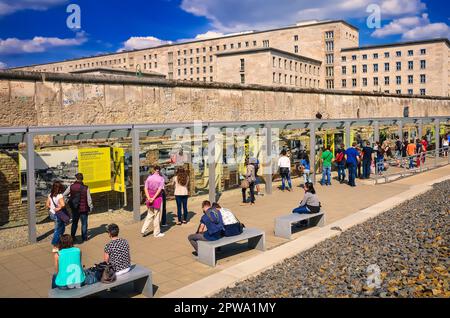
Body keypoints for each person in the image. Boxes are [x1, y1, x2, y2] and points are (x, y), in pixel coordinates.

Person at [63, 173, 93, 244]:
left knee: (74, 223)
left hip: (75, 208)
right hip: (84, 208)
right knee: (84, 223)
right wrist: (91, 207)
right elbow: (89, 199)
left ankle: (73, 237)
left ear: (76, 178)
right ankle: (84, 237)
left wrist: (68, 200)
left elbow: (64, 195)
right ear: (82, 179)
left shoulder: (71, 187)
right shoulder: (86, 187)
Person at [141, 166, 165, 238]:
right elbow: (159, 190)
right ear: (159, 170)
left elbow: (145, 188)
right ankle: (156, 233)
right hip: (157, 198)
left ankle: (143, 230)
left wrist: (149, 198)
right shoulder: (161, 179)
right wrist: (154, 198)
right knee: (157, 215)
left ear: (154, 170)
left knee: (149, 214)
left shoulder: (149, 178)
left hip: (149, 197)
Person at [46, 181, 67, 253]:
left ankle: (59, 243)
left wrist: (52, 208)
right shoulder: (59, 196)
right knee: (57, 230)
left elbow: (47, 204)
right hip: (58, 215)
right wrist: (58, 208)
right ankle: (55, 245)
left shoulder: (50, 195)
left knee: (61, 228)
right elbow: (63, 204)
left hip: (52, 214)